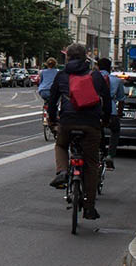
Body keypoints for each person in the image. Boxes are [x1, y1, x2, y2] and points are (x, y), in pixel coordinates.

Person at [46, 43, 112, 220]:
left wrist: (52, 120)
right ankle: (89, 207)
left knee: (61, 145)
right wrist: (105, 120)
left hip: (67, 122)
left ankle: (62, 172)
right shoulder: (96, 76)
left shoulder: (62, 76)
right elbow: (107, 100)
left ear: (67, 57)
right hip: (91, 124)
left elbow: (52, 102)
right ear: (86, 58)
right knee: (91, 163)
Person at [97, 57, 125, 170]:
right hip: (112, 112)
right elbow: (121, 99)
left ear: (98, 67)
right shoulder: (117, 80)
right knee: (115, 130)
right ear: (110, 68)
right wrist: (119, 113)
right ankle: (110, 155)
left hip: (96, 111)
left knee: (95, 131)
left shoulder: (92, 78)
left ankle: (98, 152)